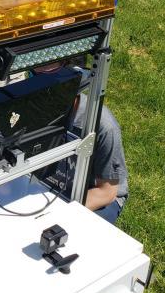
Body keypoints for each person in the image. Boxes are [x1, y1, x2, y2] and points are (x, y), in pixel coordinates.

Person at [35, 63, 129, 224]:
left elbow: (107, 192)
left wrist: (59, 214)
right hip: (52, 186)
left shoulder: (104, 127)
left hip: (97, 196)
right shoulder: (37, 111)